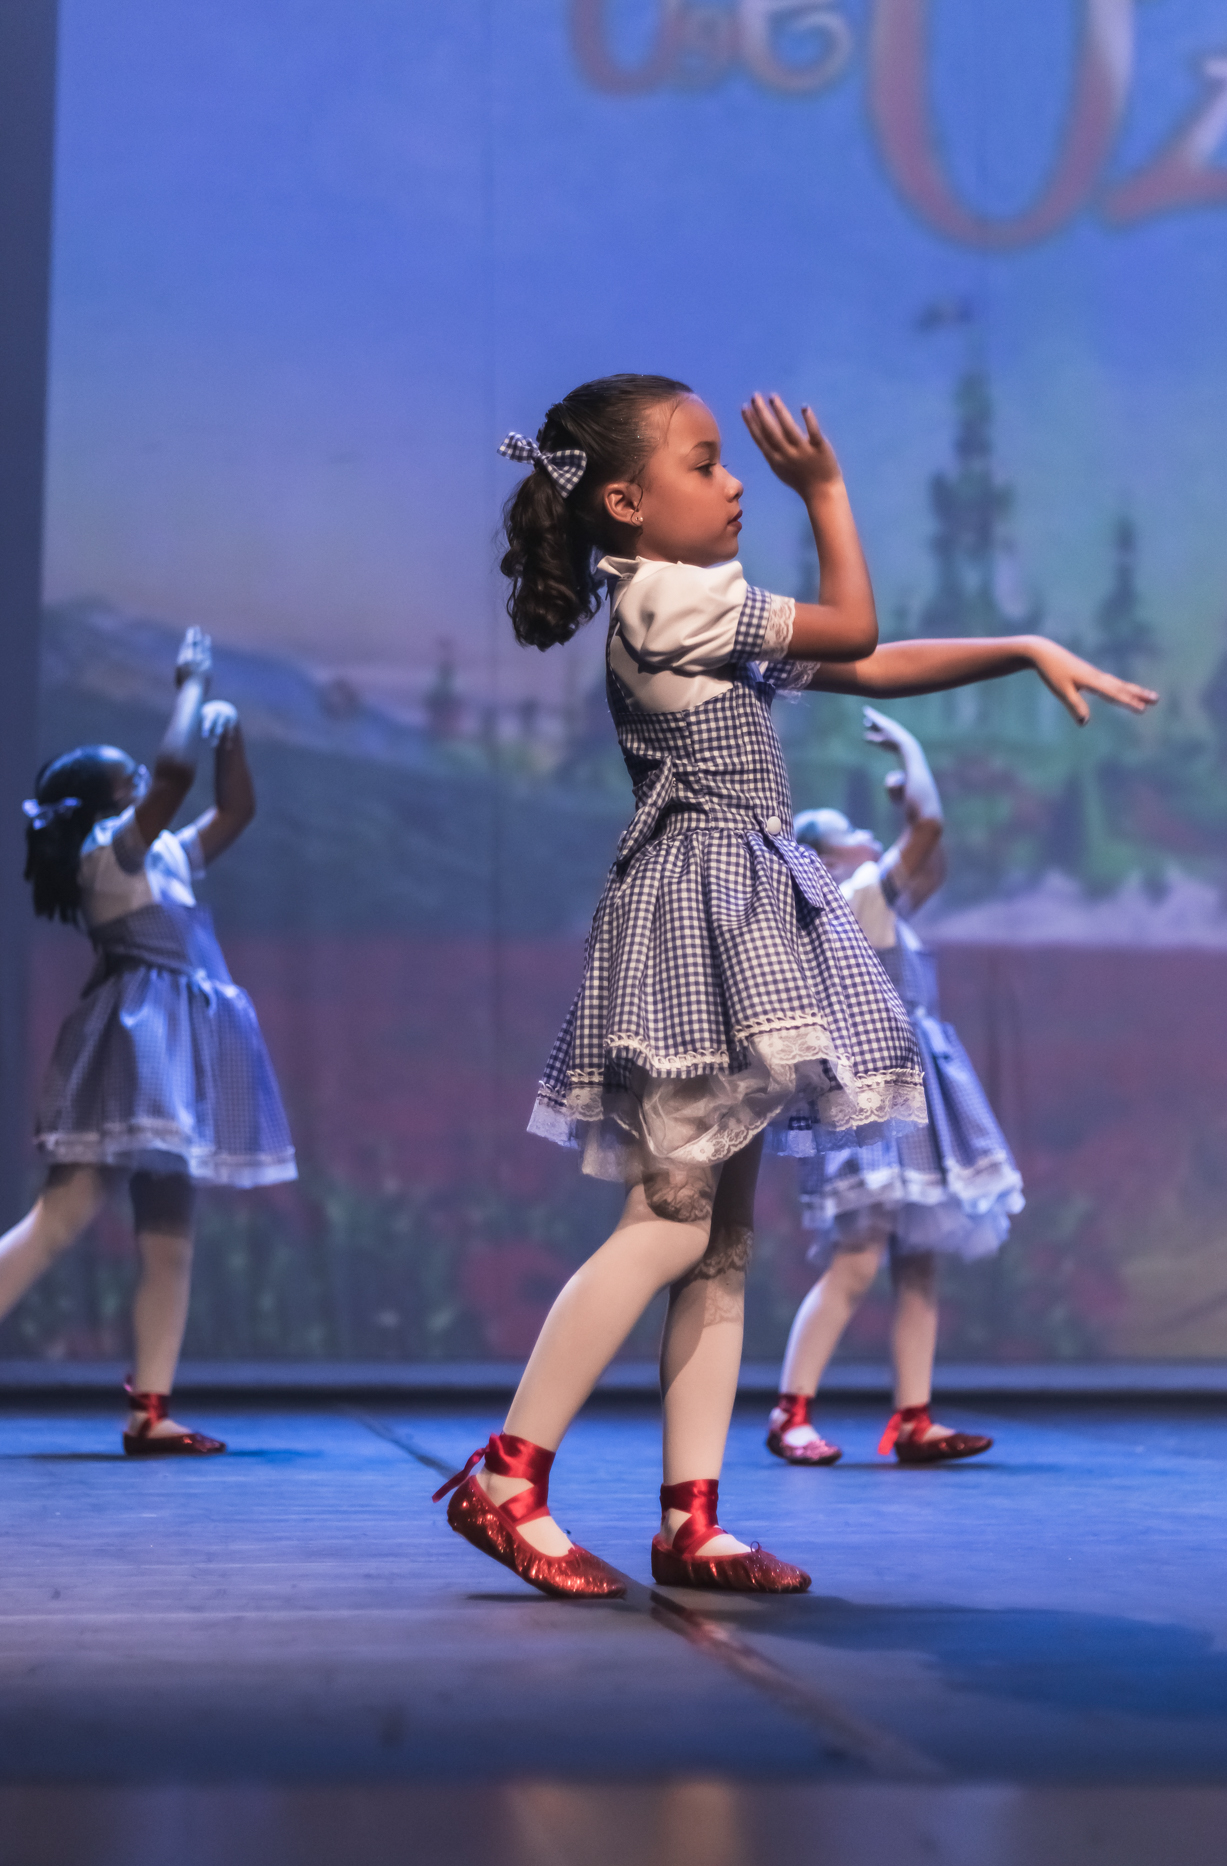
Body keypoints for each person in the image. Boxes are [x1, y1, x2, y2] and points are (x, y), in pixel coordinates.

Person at [433, 375, 1155, 1597]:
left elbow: (869, 665)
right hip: (700, 922)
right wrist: (823, 491)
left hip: (737, 919)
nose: (732, 486)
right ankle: (506, 1478)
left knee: (717, 1245)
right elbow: (855, 626)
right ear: (625, 500)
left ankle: (691, 1519)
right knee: (668, 1223)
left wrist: (1022, 647)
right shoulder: (667, 599)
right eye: (705, 463)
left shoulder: (691, 606)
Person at [0, 628, 296, 1453]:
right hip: (139, 1047)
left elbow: (234, 812)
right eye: (124, 776)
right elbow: (172, 776)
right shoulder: (109, 853)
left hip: (178, 1051)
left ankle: (150, 1410)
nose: (141, 777)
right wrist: (191, 685)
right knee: (59, 1221)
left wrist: (230, 740)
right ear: (101, 803)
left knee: (170, 1237)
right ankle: (149, 1409)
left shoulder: (161, 851)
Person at [767, 709, 1022, 1469]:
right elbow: (929, 827)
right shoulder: (853, 897)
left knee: (917, 1258)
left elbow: (930, 859)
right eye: (848, 832)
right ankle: (791, 1410)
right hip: (883, 1091)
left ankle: (913, 1417)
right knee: (859, 1256)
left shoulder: (871, 903)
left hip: (912, 1092)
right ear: (822, 858)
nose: (865, 837)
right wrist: (910, 753)